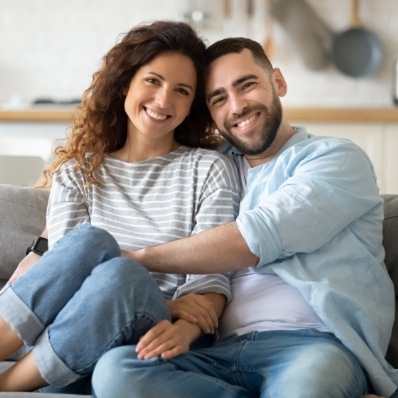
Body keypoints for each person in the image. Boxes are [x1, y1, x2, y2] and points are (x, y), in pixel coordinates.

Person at [91, 37, 398, 397]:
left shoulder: (334, 159)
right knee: (116, 372)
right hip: (215, 352)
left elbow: (256, 237)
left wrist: (138, 259)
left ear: (278, 83)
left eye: (247, 85)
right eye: (218, 98)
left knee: (305, 390)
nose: (236, 106)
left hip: (314, 346)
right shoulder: (208, 169)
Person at [0, 21, 240, 394]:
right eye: (153, 81)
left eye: (181, 90)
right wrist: (169, 300)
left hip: (154, 337)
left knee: (122, 275)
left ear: (192, 104)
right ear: (126, 82)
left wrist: (178, 317)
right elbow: (65, 276)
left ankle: (10, 384)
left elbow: (210, 280)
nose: (163, 100)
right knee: (90, 243)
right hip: (72, 328)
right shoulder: (77, 173)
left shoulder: (208, 169)